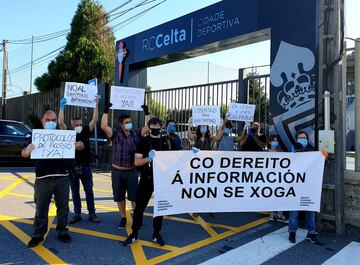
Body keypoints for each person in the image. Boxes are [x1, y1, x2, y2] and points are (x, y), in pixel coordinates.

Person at [22, 110, 78, 248]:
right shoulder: (37, 136)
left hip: (62, 178)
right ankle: (38, 235)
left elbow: (80, 145)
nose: (51, 123)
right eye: (48, 120)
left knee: (63, 207)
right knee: (41, 208)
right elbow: (23, 153)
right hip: (43, 179)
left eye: (54, 120)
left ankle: (62, 231)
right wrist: (27, 151)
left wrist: (78, 146)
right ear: (42, 121)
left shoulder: (63, 136)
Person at [123, 117, 173, 247]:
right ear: (148, 127)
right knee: (139, 206)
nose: (155, 129)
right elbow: (137, 161)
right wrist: (148, 158)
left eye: (157, 127)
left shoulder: (167, 141)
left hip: (162, 179)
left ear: (161, 128)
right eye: (152, 127)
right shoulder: (143, 141)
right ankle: (134, 233)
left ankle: (156, 234)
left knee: (160, 207)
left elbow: (177, 157)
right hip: (147, 177)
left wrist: (193, 153)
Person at [101, 102, 149, 229]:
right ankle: (123, 218)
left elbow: (147, 128)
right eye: (127, 122)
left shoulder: (136, 133)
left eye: (130, 121)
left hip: (131, 171)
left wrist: (147, 113)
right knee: (119, 197)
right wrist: (105, 111)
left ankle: (137, 217)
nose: (129, 124)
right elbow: (104, 126)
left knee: (134, 197)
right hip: (117, 171)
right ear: (121, 124)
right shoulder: (115, 134)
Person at [58, 97, 100, 224]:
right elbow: (60, 123)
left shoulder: (86, 131)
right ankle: (77, 214)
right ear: (72, 125)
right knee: (75, 191)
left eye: (80, 124)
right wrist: (61, 108)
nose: (79, 126)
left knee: (89, 190)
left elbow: (95, 119)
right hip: (73, 167)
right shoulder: (69, 133)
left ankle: (92, 213)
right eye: (76, 125)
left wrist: (96, 105)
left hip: (85, 166)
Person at [288, 131, 319, 244]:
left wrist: (323, 157)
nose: (302, 139)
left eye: (304, 138)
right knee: (294, 210)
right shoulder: (293, 149)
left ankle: (312, 232)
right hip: (296, 185)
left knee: (310, 210)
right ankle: (292, 231)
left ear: (307, 139)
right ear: (296, 140)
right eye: (300, 138)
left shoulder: (312, 150)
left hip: (309, 186)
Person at [187, 117, 218, 218]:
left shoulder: (210, 138)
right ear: (199, 128)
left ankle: (212, 209)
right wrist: (189, 125)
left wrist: (222, 125)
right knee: (198, 188)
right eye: (202, 126)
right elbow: (189, 136)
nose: (203, 128)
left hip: (208, 166)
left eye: (205, 126)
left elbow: (218, 136)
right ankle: (196, 208)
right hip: (197, 167)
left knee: (209, 189)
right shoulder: (195, 137)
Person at [267, 135, 288, 223]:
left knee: (280, 196)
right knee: (270, 196)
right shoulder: (265, 153)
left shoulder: (281, 152)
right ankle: (271, 215)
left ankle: (280, 215)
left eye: (276, 140)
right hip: (269, 177)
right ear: (269, 142)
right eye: (273, 141)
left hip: (279, 177)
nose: (275, 142)